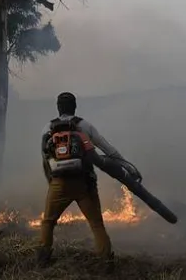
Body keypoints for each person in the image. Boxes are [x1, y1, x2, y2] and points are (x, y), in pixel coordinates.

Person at [37, 91, 122, 269]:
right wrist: (123, 164)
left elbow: (45, 158)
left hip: (59, 184)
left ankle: (43, 260)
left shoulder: (48, 128)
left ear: (58, 108)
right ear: (75, 106)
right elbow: (108, 149)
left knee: (48, 222)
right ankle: (106, 261)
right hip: (84, 183)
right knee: (96, 224)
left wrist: (51, 183)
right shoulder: (85, 126)